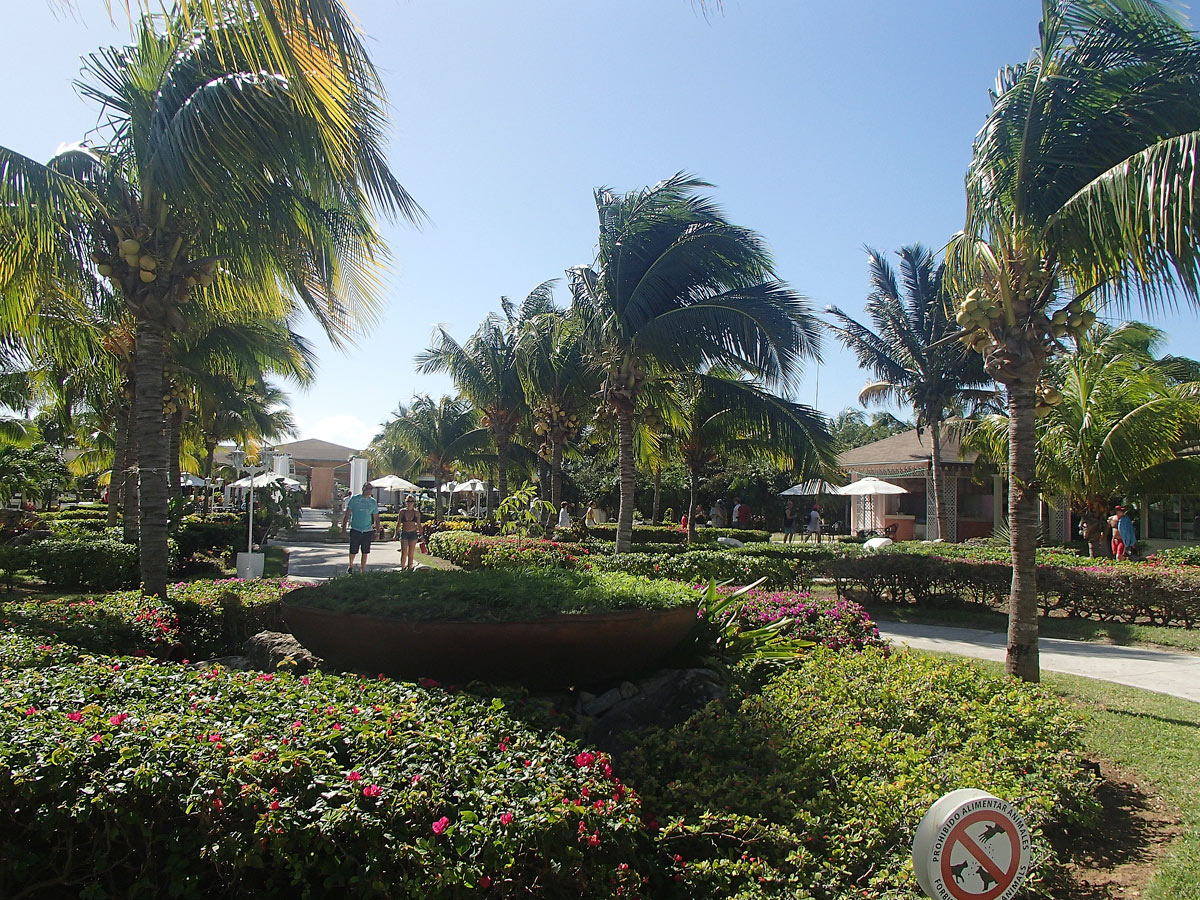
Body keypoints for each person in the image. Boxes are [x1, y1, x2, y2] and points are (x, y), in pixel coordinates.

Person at [341, 483, 380, 573]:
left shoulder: (373, 502)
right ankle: (351, 565)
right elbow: (347, 514)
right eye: (367, 488)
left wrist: (377, 532)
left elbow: (377, 518)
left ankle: (363, 570)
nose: (368, 490)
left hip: (367, 530)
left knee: (365, 551)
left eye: (370, 489)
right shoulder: (355, 499)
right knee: (353, 550)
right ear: (363, 489)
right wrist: (344, 528)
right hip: (356, 529)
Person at [395, 494, 423, 571]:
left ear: (414, 502)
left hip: (413, 533)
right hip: (404, 533)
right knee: (404, 552)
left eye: (411, 501)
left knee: (411, 553)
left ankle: (410, 569)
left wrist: (421, 535)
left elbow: (419, 525)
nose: (410, 503)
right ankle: (403, 568)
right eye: (408, 501)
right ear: (405, 502)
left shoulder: (416, 512)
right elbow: (398, 523)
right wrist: (395, 534)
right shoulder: (402, 512)